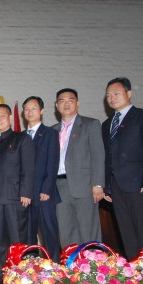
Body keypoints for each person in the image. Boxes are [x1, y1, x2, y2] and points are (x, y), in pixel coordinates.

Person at [102, 77, 143, 259]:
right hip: (117, 188)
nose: (112, 98)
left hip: (140, 186)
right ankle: (134, 276)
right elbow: (107, 158)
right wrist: (107, 186)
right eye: (109, 95)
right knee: (126, 234)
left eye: (116, 93)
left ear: (129, 93)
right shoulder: (107, 124)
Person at [0, 104, 34, 284]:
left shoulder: (22, 139)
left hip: (15, 197)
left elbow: (28, 168)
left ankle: (19, 274)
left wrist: (26, 192)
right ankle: (1, 274)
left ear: (10, 118)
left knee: (17, 239)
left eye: (2, 116)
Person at [53, 88, 105, 248]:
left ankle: (93, 268)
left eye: (70, 100)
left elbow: (98, 155)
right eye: (62, 101)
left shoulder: (91, 124)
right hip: (60, 187)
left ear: (78, 103)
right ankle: (72, 268)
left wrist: (97, 184)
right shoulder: (52, 130)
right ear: (56, 105)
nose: (66, 104)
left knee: (88, 230)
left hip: (84, 185)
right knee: (66, 230)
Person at [22, 96, 61, 261]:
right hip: (25, 195)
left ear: (42, 111)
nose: (30, 112)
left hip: (44, 193)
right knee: (28, 234)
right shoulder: (21, 136)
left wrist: (46, 189)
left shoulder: (50, 133)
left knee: (48, 233)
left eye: (34, 108)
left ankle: (54, 267)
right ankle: (31, 270)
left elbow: (53, 162)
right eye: (27, 109)